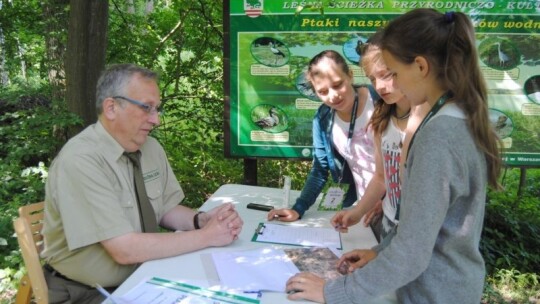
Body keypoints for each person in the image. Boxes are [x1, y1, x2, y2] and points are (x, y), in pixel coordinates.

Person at [286, 8, 502, 304]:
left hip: (434, 292)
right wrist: (379, 251)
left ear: (421, 67)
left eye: (394, 73)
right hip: (440, 286)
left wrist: (332, 292)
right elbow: (427, 227)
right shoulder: (457, 118)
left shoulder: (439, 135)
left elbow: (412, 252)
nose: (390, 86)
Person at [41, 64, 244, 304]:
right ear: (111, 107)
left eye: (157, 109)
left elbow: (165, 209)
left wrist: (202, 220)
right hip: (87, 292)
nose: (156, 120)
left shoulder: (149, 148)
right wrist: (207, 237)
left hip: (147, 277)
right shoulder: (81, 160)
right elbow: (124, 249)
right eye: (147, 108)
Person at [267, 50, 376, 222]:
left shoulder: (379, 101)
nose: (333, 96)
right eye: (323, 91)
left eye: (338, 84)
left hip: (397, 206)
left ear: (350, 75)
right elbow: (320, 169)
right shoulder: (323, 119)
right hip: (363, 210)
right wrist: (298, 208)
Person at [330, 30, 413, 243]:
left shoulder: (430, 122)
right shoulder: (382, 119)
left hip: (418, 233)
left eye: (386, 75)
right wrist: (356, 213)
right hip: (388, 223)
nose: (379, 86)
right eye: (372, 79)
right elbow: (381, 177)